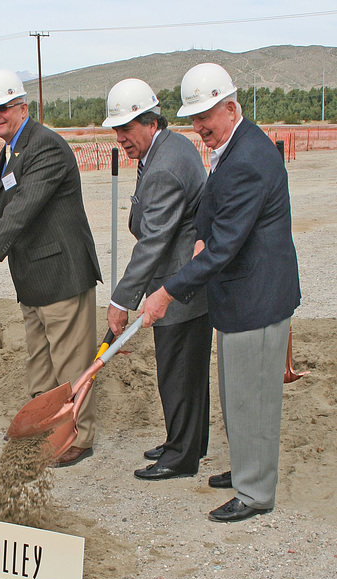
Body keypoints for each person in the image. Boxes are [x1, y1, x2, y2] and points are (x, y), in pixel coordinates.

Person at [140, 63, 301, 522]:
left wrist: (168, 291)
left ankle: (255, 493)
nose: (198, 128)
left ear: (231, 108)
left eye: (205, 117)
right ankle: (246, 467)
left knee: (254, 400)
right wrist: (202, 236)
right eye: (193, 119)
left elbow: (227, 246)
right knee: (236, 395)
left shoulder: (248, 157)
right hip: (237, 297)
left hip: (258, 297)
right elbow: (220, 217)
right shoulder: (233, 147)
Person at [0, 70, 102, 467]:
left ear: (23, 107)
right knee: (40, 363)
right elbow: (4, 208)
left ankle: (79, 437)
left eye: (3, 108)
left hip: (61, 275)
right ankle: (43, 428)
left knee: (72, 363)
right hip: (32, 278)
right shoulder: (11, 150)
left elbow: (24, 207)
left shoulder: (46, 148)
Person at [103, 79, 212, 481]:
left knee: (178, 371)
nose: (121, 138)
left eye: (127, 129)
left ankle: (181, 458)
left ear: (150, 122)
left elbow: (153, 241)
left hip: (179, 284)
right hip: (184, 279)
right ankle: (187, 441)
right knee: (188, 371)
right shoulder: (167, 147)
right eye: (116, 130)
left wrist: (121, 301)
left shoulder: (165, 165)